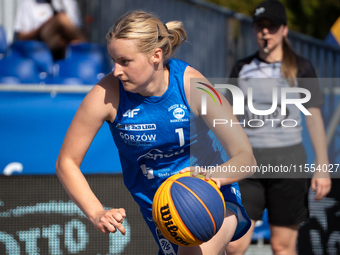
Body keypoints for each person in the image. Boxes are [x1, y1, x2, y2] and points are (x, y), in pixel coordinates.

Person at [55, 10, 256, 255]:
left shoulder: (194, 86)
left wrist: (209, 178)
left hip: (210, 192)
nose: (116, 70)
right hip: (162, 211)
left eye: (125, 61)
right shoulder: (106, 94)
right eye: (113, 60)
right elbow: (67, 162)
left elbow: (246, 158)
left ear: (156, 56)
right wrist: (96, 211)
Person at [225, 1, 332, 255]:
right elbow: (229, 118)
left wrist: (322, 165)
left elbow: (314, 117)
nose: (265, 32)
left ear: (284, 30)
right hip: (249, 161)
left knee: (282, 247)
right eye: (260, 26)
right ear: (253, 31)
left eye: (271, 27)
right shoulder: (242, 68)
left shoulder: (301, 68)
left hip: (288, 161)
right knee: (233, 244)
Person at [14, 0, 86, 60]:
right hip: (41, 41)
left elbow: (76, 28)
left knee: (76, 43)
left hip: (65, 41)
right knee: (61, 19)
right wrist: (44, 25)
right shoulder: (27, 3)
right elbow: (22, 36)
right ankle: (88, 48)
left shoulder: (68, 2)